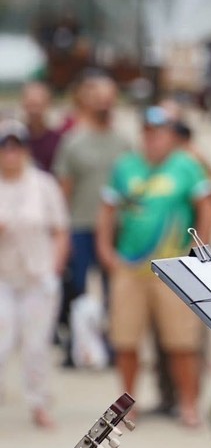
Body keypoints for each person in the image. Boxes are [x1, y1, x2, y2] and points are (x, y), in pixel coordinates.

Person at [97, 105, 211, 427]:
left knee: (181, 342)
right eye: (148, 133)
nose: (153, 139)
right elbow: (108, 209)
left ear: (170, 135)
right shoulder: (125, 166)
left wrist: (199, 248)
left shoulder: (186, 166)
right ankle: (126, 405)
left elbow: (206, 205)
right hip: (130, 268)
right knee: (126, 341)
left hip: (172, 270)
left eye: (160, 133)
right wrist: (105, 250)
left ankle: (189, 405)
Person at [52, 75, 131, 360]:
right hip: (82, 226)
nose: (103, 104)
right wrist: (62, 233)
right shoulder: (73, 143)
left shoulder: (123, 143)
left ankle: (111, 344)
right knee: (80, 288)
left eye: (108, 98)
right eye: (98, 98)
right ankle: (78, 347)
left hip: (116, 229)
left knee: (115, 289)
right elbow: (64, 191)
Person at [0, 119, 69, 429]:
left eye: (16, 146)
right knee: (2, 342)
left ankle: (39, 402)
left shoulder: (43, 184)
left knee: (36, 345)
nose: (10, 153)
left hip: (37, 276)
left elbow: (60, 230)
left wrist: (54, 269)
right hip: (3, 276)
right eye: (5, 147)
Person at [20, 80, 62, 172]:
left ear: (48, 104)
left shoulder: (58, 140)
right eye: (30, 105)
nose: (34, 111)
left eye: (37, 105)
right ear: (23, 104)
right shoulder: (15, 138)